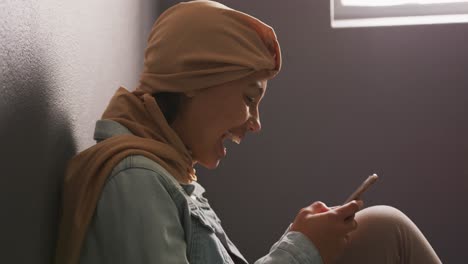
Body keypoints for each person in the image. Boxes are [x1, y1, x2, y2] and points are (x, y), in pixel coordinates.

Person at [54, 1, 442, 264]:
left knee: (383, 227)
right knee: (388, 229)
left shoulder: (168, 171)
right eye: (248, 98)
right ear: (193, 80)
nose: (255, 123)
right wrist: (301, 249)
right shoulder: (136, 181)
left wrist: (300, 239)